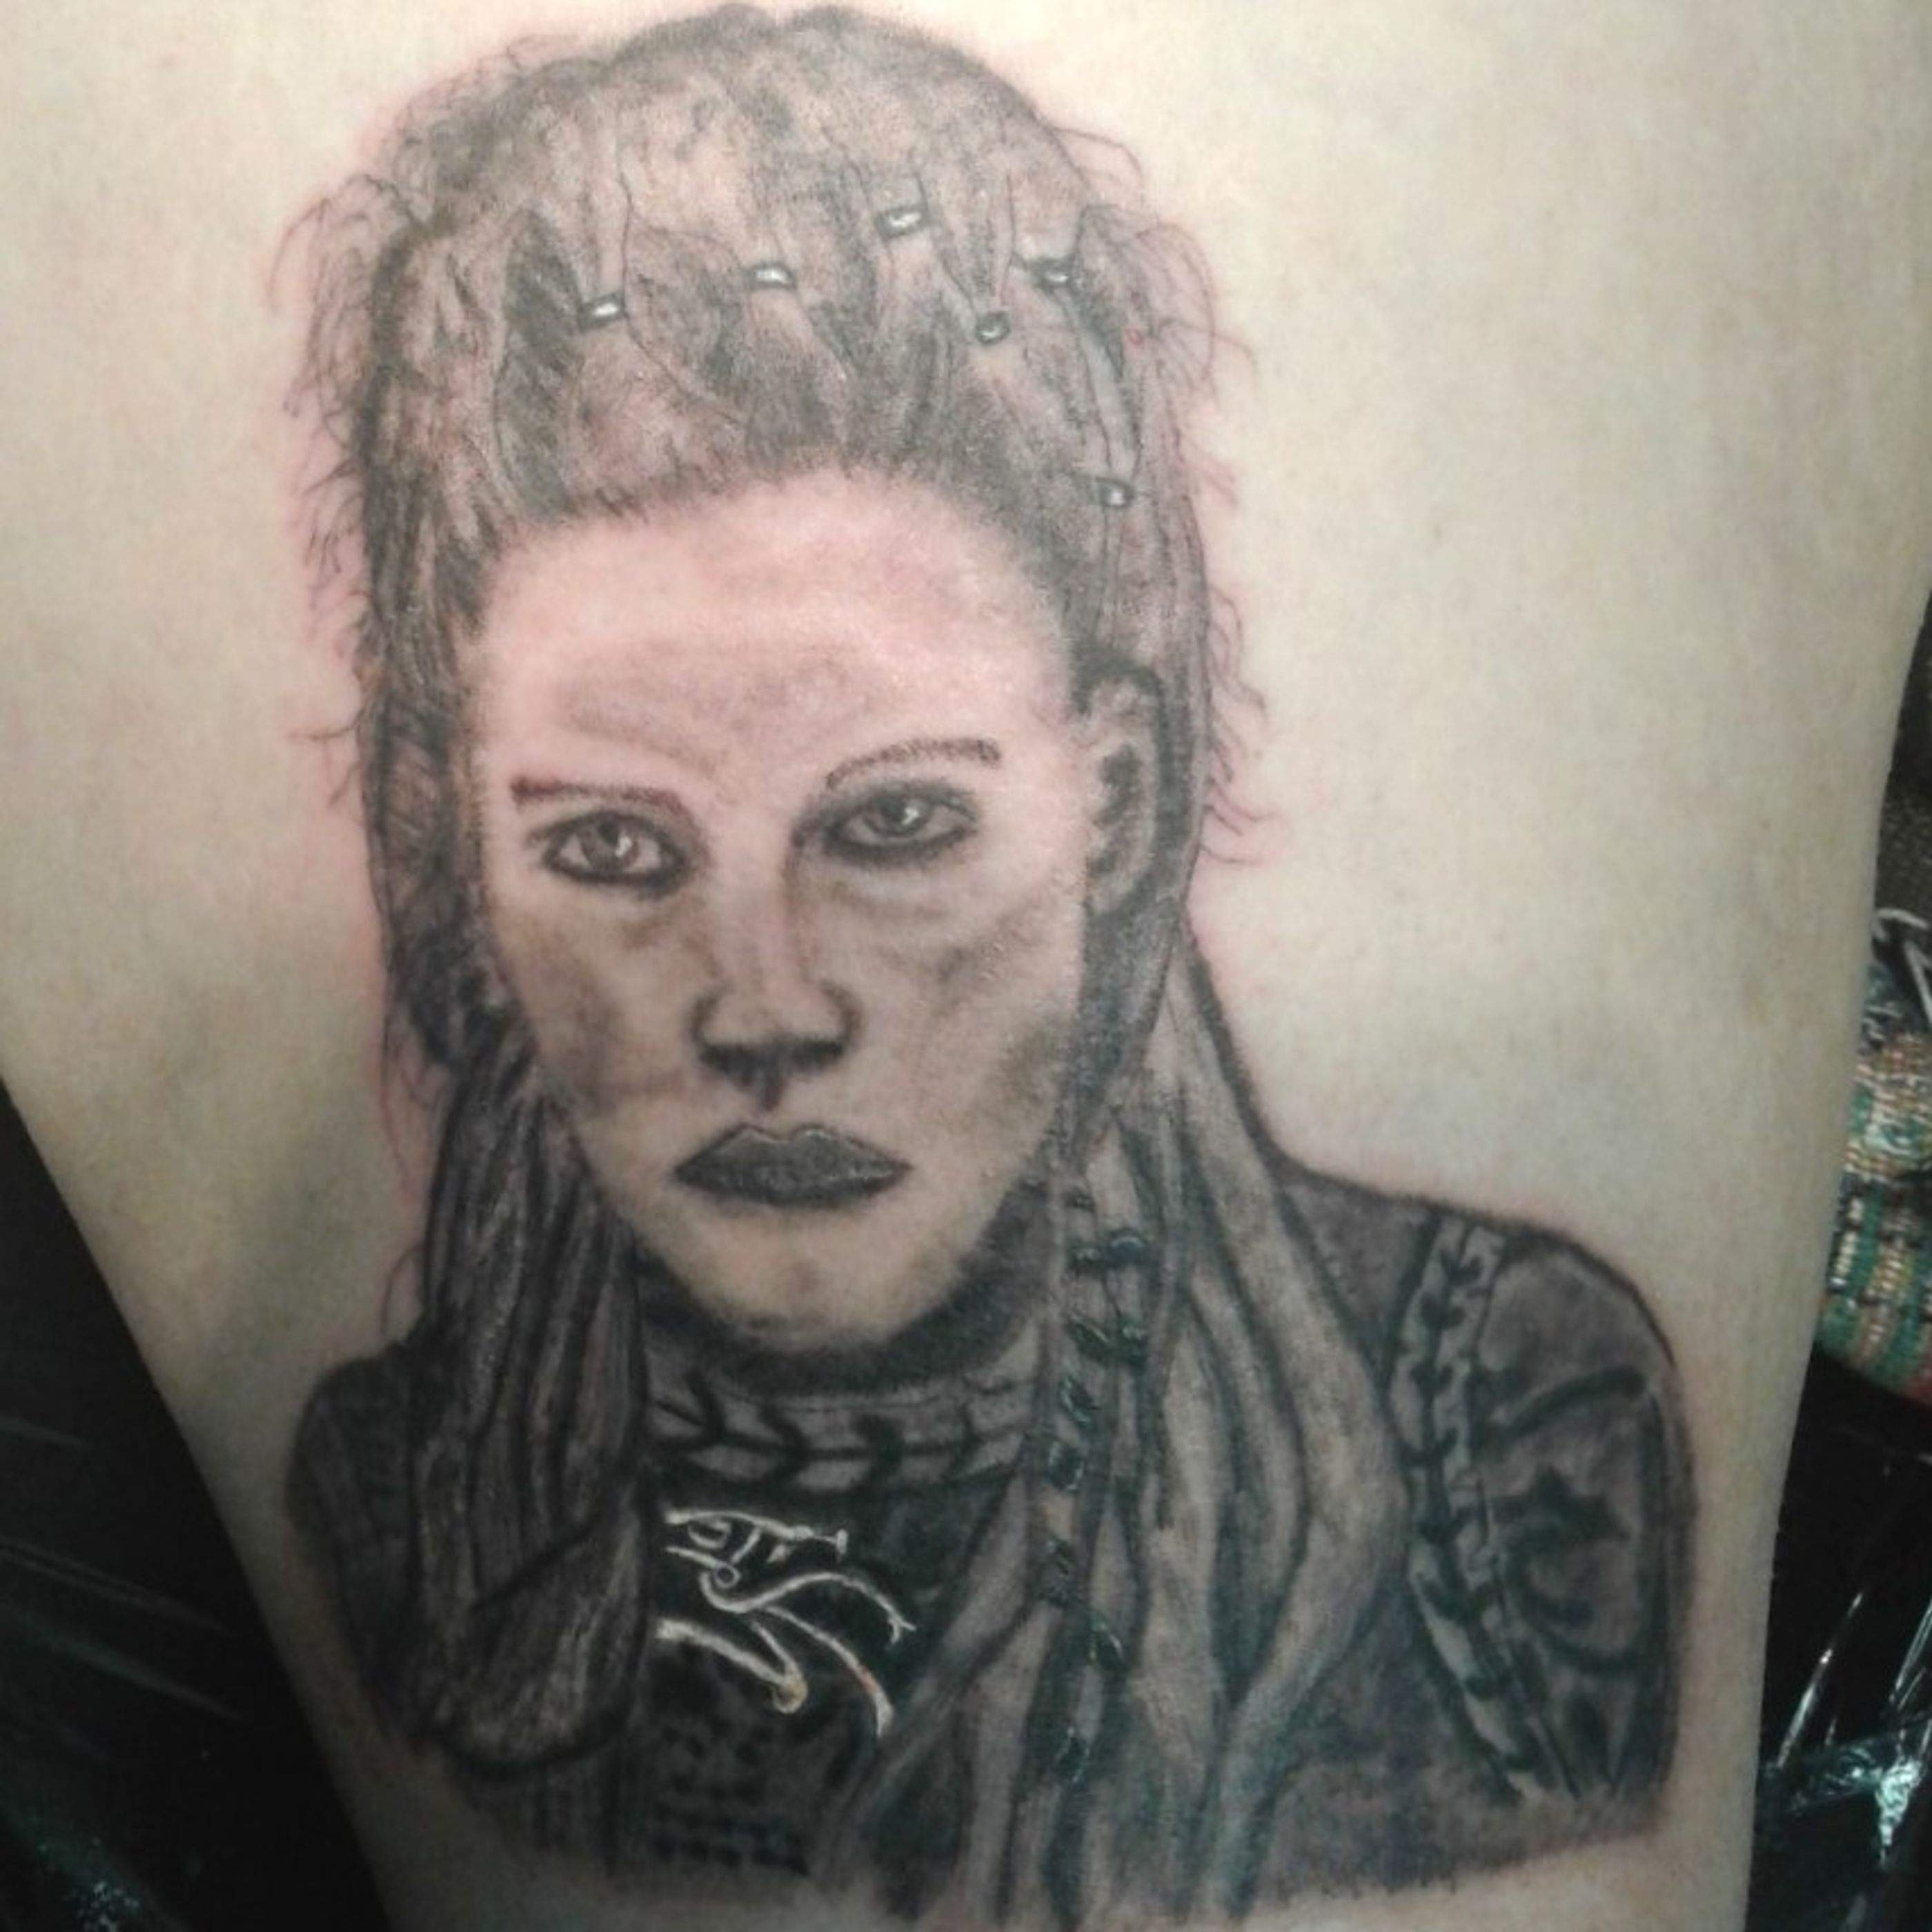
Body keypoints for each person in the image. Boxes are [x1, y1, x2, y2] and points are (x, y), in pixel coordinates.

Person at [282, 12, 1688, 1922]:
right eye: (611, 853)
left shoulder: (1487, 1435)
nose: (765, 1007)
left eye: (893, 828)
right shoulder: (395, 1494)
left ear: (1112, 803)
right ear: (467, 856)